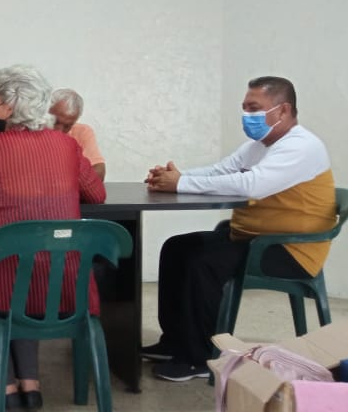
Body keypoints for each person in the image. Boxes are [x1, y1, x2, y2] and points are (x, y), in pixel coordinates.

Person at [0, 65, 106, 410]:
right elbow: (96, 195)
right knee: (31, 273)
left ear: (10, 107)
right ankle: (31, 385)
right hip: (67, 281)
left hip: (5, 282)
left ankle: (6, 386)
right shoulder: (67, 145)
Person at [143, 76, 336, 382]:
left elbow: (252, 184)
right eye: (245, 108)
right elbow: (221, 170)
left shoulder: (302, 146)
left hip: (289, 250)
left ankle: (197, 359)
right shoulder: (259, 146)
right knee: (177, 247)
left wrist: (181, 183)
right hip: (254, 239)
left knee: (203, 262)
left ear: (283, 110)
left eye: (254, 108)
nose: (247, 115)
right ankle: (175, 342)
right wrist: (175, 176)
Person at [50, 88, 106, 180]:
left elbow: (99, 171)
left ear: (75, 120)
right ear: (46, 112)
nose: (59, 131)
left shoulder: (82, 132)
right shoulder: (33, 130)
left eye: (67, 126)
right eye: (55, 122)